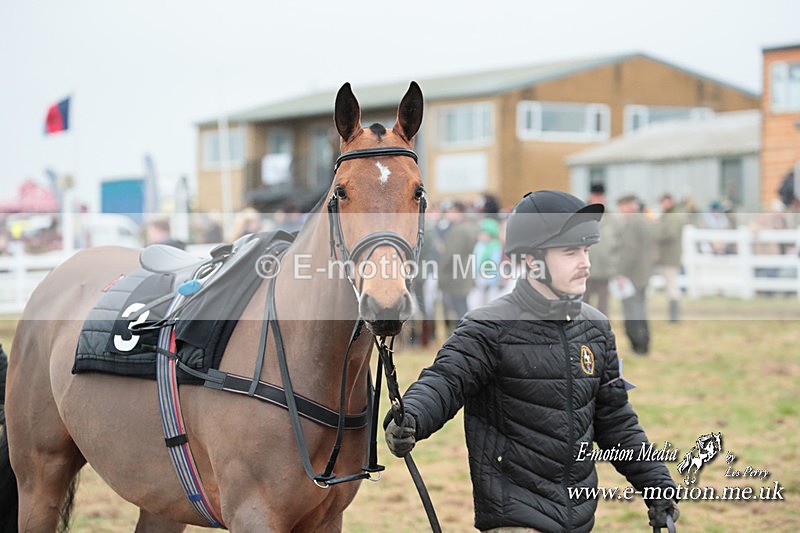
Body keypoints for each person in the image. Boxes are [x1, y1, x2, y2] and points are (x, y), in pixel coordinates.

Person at [385, 190, 679, 533]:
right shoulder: (488, 327)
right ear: (532, 260)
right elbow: (445, 380)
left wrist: (658, 487)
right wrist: (413, 415)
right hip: (516, 519)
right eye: (570, 252)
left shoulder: (596, 328)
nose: (585, 262)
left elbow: (616, 421)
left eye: (585, 250)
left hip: (580, 520)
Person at [612, 194, 653, 355]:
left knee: (632, 311)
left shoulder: (632, 223)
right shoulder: (644, 220)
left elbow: (630, 251)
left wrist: (621, 273)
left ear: (628, 205)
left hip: (632, 275)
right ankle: (644, 343)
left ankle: (638, 345)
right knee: (641, 310)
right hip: (643, 274)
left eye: (622, 206)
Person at [582, 184, 617, 315]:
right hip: (585, 267)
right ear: (590, 197)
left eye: (601, 196)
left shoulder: (612, 219)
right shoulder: (582, 216)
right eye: (595, 196)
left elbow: (618, 243)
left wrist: (614, 264)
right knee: (584, 302)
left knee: (603, 304)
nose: (598, 199)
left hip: (605, 268)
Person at [654, 194, 687, 322]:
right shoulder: (669, 215)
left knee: (671, 286)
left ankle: (674, 316)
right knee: (670, 285)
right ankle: (673, 315)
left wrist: (656, 231)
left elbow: (669, 234)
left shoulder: (673, 217)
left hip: (670, 256)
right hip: (668, 256)